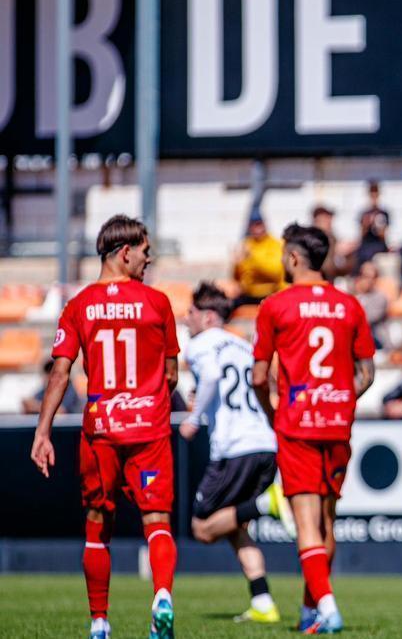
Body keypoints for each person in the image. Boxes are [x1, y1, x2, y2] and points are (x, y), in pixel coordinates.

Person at [30, 215, 180, 639]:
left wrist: (43, 431)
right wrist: (147, 396)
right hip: (148, 429)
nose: (149, 260)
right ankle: (162, 596)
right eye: (146, 252)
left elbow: (61, 373)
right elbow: (171, 375)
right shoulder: (157, 303)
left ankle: (99, 622)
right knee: (157, 520)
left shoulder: (79, 305)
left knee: (98, 524)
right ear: (125, 252)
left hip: (102, 430)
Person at [251, 224, 376, 634]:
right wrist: (340, 399)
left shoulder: (275, 305)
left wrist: (273, 415)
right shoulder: (350, 305)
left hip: (298, 424)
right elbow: (367, 374)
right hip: (337, 424)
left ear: (293, 258)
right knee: (326, 523)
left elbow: (258, 377)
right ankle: (311, 612)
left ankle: (327, 607)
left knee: (305, 524)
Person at [179, 282, 293, 624]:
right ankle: (262, 601)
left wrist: (194, 417)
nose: (186, 318)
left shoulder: (201, 343)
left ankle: (267, 504)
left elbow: (213, 375)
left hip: (235, 447)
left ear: (208, 317)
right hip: (265, 443)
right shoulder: (243, 345)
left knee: (202, 527)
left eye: (191, 312)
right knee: (233, 524)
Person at [232, 209, 285, 307]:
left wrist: (252, 258)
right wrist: (237, 264)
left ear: (264, 225)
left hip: (270, 294)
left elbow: (275, 271)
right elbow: (238, 277)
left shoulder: (275, 244)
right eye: (253, 225)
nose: (256, 228)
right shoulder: (246, 244)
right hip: (248, 295)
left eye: (259, 224)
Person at [355, 180, 391, 271]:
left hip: (378, 244)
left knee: (368, 253)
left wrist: (377, 225)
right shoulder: (364, 213)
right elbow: (361, 235)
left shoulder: (383, 213)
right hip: (366, 244)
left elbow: (383, 236)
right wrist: (366, 224)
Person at [353, 260, 389, 349]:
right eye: (366, 276)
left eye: (373, 277)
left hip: (375, 338)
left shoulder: (380, 297)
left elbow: (369, 319)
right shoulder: (351, 295)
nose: (369, 281)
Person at [311, 205, 349, 281]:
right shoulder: (311, 240)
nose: (330, 221)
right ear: (317, 220)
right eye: (326, 218)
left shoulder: (332, 238)